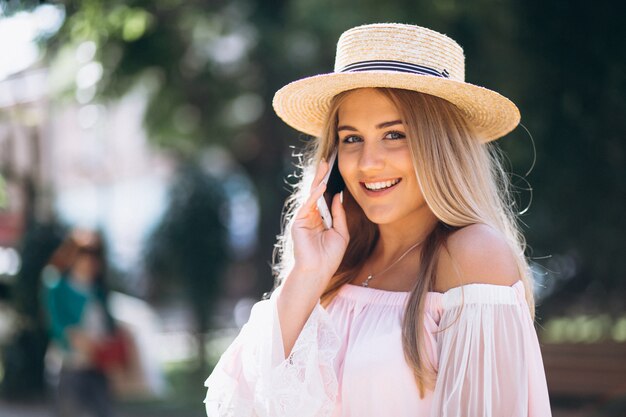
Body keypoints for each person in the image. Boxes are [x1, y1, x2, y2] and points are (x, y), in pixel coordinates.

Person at [204, 23, 552, 416]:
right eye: (351, 139)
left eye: (394, 135)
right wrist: (307, 275)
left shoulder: (472, 256)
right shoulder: (336, 267)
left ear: (441, 145)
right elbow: (241, 404)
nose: (368, 163)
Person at [42, 229, 125, 417]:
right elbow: (57, 325)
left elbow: (109, 325)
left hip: (98, 366)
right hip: (70, 365)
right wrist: (77, 339)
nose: (90, 262)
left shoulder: (98, 290)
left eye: (94, 255)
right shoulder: (57, 285)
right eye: (85, 255)